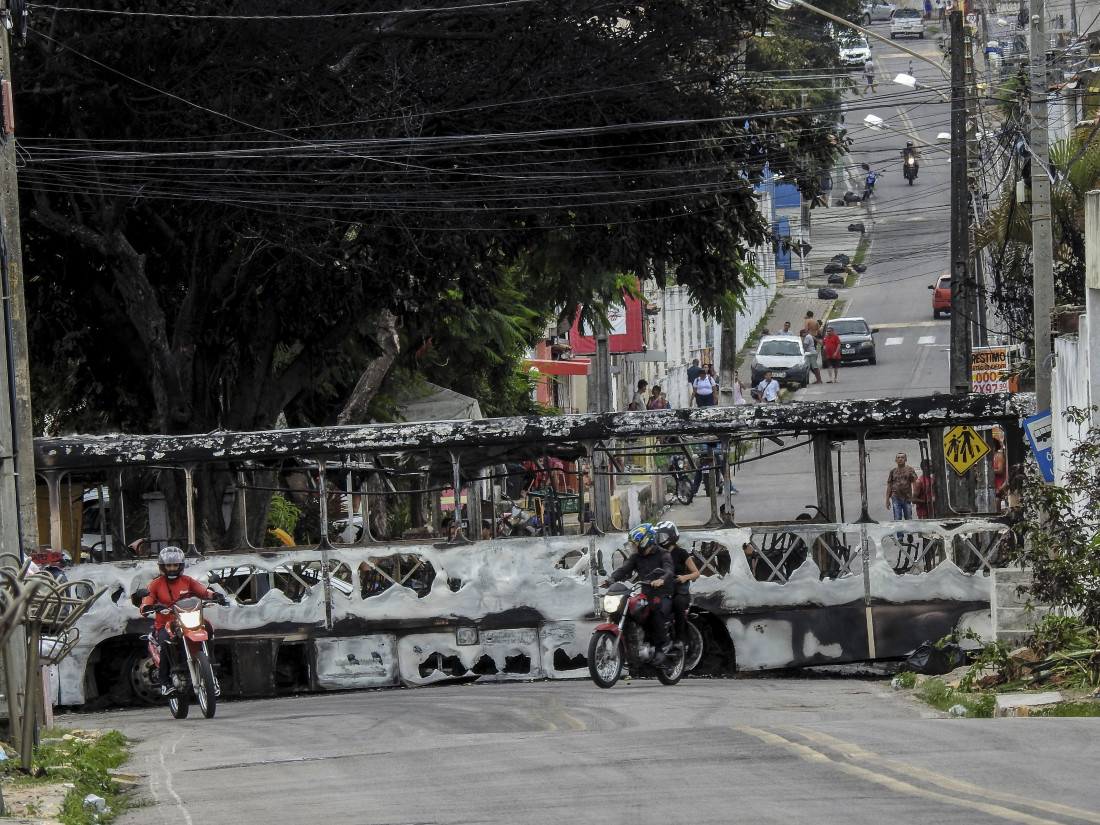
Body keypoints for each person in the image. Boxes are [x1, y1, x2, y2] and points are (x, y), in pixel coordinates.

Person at [140, 546, 226, 696]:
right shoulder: (155, 584)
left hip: (189, 619)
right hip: (166, 624)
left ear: (181, 566)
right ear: (162, 567)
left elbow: (203, 591)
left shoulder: (187, 581)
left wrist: (216, 595)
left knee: (209, 628)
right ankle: (165, 682)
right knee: (166, 640)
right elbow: (145, 602)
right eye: (169, 565)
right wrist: (148, 607)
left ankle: (211, 672)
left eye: (175, 565)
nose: (172, 569)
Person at [604, 523, 674, 662]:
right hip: (646, 594)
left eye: (635, 544)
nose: (633, 547)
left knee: (656, 611)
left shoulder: (663, 554)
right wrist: (611, 579)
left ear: (645, 541)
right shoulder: (636, 557)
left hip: (663, 594)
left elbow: (669, 570)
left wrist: (661, 579)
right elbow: (624, 569)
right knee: (631, 611)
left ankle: (660, 649)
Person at [653, 521, 700, 649]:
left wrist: (685, 577)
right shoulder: (657, 554)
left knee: (678, 602)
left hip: (680, 592)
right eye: (657, 536)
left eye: (662, 536)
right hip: (663, 591)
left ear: (672, 536)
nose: (659, 540)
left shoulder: (681, 553)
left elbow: (696, 573)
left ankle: (680, 638)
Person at [886, 452, 919, 521]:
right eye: (898, 457)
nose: (900, 459)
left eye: (902, 457)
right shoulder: (893, 471)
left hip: (907, 498)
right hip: (895, 497)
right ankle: (899, 532)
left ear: (905, 459)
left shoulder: (910, 470)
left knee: (908, 518)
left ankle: (909, 532)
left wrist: (914, 495)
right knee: (897, 518)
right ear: (896, 460)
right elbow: (889, 485)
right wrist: (887, 500)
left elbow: (915, 482)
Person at [992, 436, 1007, 505]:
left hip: (1000, 486)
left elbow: (1000, 471)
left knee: (997, 502)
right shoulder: (989, 458)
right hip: (992, 486)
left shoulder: (999, 456)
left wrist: (988, 471)